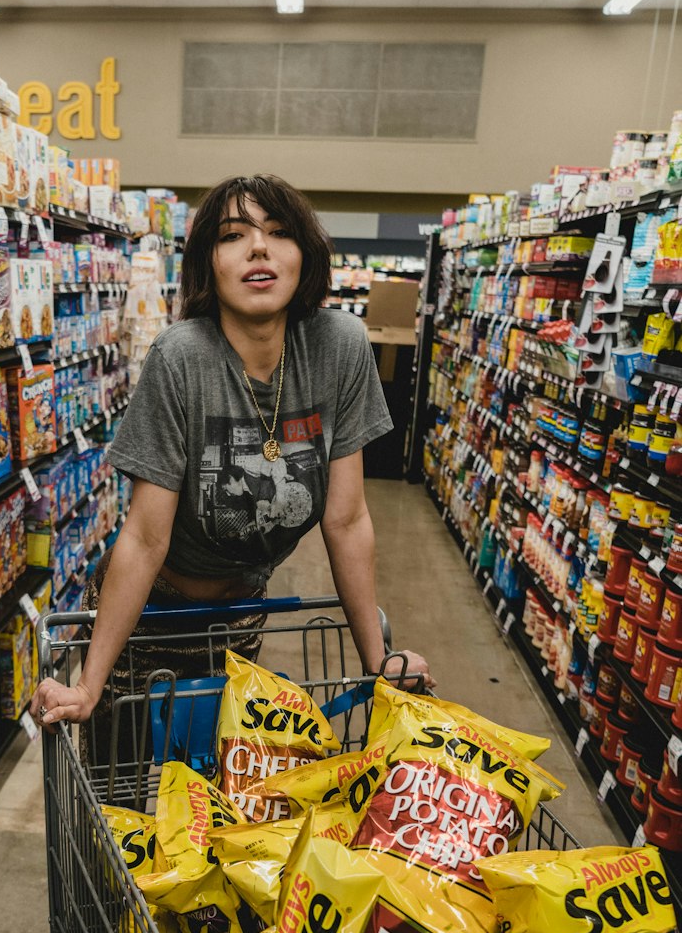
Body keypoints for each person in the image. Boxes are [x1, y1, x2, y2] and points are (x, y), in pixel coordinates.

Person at [30, 173, 434, 752]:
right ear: (208, 264)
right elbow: (145, 537)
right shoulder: (181, 358)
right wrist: (89, 685)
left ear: (306, 256)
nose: (259, 248)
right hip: (149, 617)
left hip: (241, 617)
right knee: (121, 808)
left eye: (278, 232)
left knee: (223, 798)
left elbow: (345, 520)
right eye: (234, 235)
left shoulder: (339, 348)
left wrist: (379, 660)